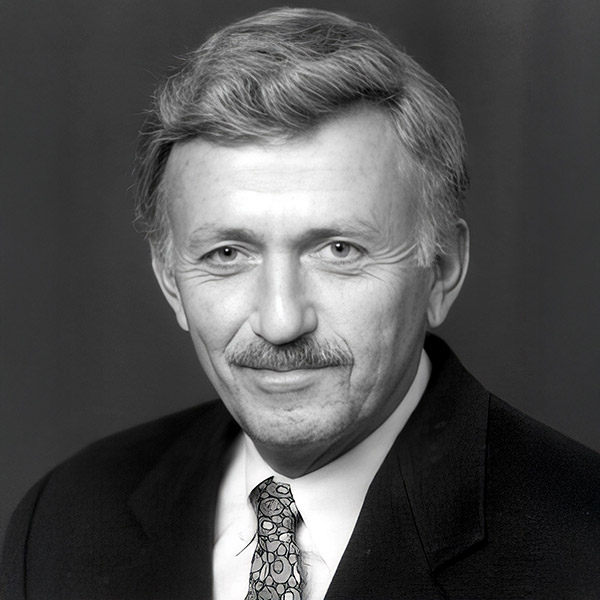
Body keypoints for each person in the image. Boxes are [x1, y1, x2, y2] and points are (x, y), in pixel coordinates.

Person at [2, 7, 599, 600]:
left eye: (339, 250)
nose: (281, 322)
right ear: (170, 282)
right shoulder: (63, 524)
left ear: (441, 271)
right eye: (227, 254)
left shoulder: (583, 548)